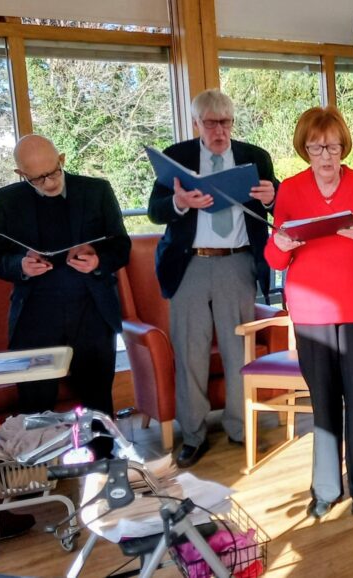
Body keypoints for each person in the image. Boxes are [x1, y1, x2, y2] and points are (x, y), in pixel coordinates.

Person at [266, 106, 353, 519]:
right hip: (310, 311)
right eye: (315, 147)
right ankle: (325, 487)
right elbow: (273, 257)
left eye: (332, 146)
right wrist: (283, 246)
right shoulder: (289, 190)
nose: (325, 156)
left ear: (343, 146)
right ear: (303, 149)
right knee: (323, 402)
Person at [148, 89, 278, 469]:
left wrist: (272, 196)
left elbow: (276, 202)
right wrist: (180, 203)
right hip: (189, 264)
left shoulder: (255, 156)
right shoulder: (178, 156)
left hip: (236, 263)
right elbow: (156, 210)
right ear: (196, 124)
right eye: (211, 123)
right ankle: (192, 435)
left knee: (240, 352)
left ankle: (240, 428)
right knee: (190, 351)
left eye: (226, 123)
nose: (220, 131)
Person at [0, 134, 130, 416]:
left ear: (62, 159)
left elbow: (122, 247)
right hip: (34, 316)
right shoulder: (5, 201)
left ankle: (102, 458)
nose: (49, 182)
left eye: (53, 172)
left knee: (97, 405)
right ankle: (41, 462)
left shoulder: (96, 190)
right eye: (37, 179)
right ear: (21, 174)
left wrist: (97, 261)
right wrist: (20, 266)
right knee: (36, 407)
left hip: (91, 311)